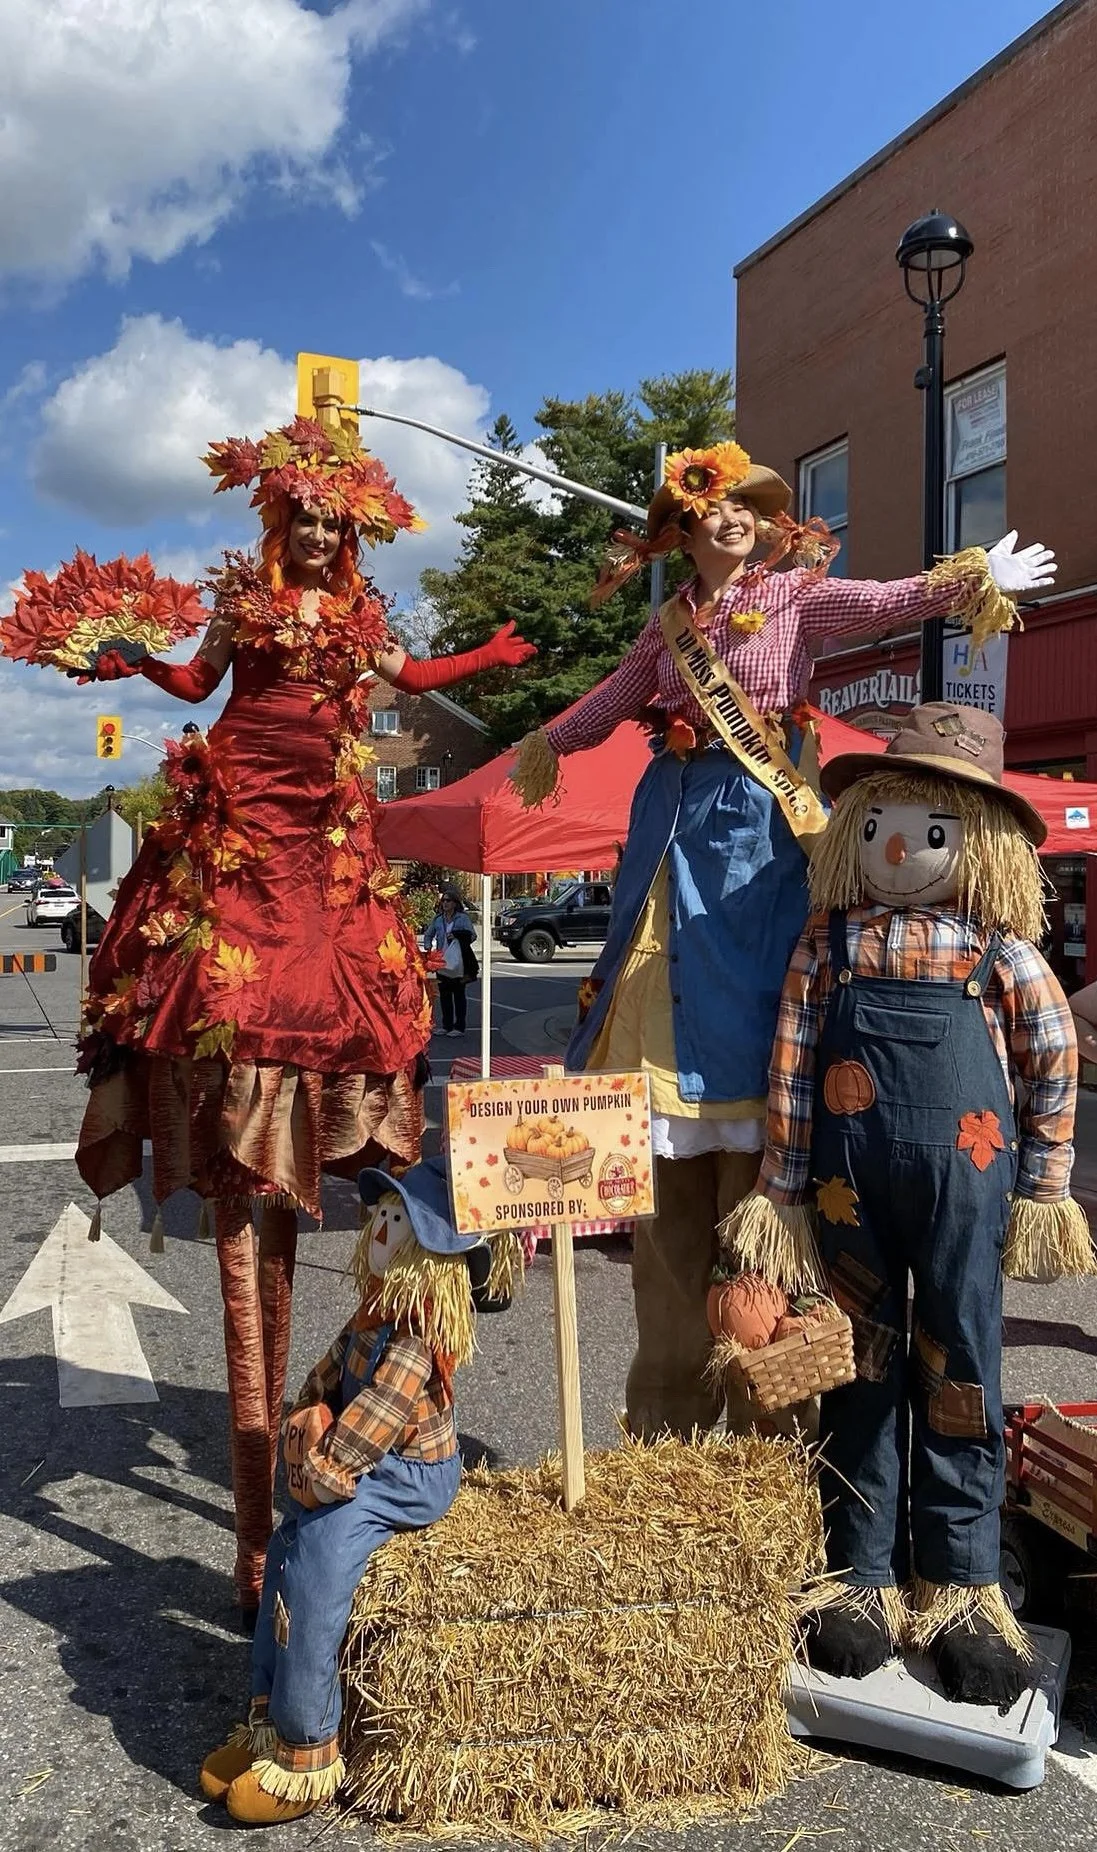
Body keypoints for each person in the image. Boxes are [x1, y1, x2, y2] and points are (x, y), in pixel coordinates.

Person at [56, 417, 533, 1616]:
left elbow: (408, 682)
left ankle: (275, 1516)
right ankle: (254, 1524)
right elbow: (189, 683)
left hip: (321, 825)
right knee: (205, 980)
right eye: (306, 518)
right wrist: (124, 658)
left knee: (340, 982)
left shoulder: (365, 622)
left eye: (338, 522)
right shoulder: (241, 606)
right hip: (242, 808)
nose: (320, 535)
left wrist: (486, 657)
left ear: (353, 534)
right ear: (281, 523)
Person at [511, 439, 1057, 1442]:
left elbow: (890, 601)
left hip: (758, 828)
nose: (732, 519)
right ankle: (668, 1424)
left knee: (767, 975)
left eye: (745, 506)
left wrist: (971, 576)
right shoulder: (667, 626)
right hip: (674, 819)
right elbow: (611, 700)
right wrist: (549, 741)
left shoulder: (800, 595)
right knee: (658, 988)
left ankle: (772, 1429)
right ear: (679, 530)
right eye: (710, 507)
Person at [722, 704, 1093, 1706]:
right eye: (883, 823)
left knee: (961, 1360)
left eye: (930, 833)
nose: (896, 846)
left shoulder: (998, 949)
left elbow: (1051, 1057)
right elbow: (789, 1069)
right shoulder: (827, 942)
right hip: (846, 1189)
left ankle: (963, 1580)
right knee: (859, 1366)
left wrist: (1044, 1187)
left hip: (966, 1189)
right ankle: (860, 1571)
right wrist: (780, 1191)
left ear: (980, 846)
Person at [198, 1157, 516, 1824]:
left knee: (316, 1561)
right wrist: (300, 1421)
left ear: (429, 1255)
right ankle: (263, 1723)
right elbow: (329, 1375)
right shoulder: (374, 1314)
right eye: (382, 1215)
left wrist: (322, 1472)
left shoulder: (415, 1337)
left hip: (408, 1476)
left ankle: (305, 1752)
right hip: (365, 1458)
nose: (380, 1228)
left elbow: (377, 1420)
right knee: (286, 1545)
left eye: (399, 1222)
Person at [424, 889, 478, 1036]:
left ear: (455, 903)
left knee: (459, 993)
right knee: (445, 994)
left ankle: (459, 1027)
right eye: (443, 901)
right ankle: (446, 1025)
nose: (445, 903)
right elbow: (428, 935)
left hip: (458, 960)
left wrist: (457, 937)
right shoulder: (438, 919)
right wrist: (429, 950)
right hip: (442, 961)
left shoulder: (462, 918)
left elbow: (472, 936)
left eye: (448, 900)